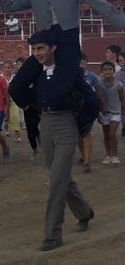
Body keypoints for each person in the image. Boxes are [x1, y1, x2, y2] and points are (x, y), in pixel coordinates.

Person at [0, 0, 125, 135]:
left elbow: (97, 3)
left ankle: (85, 117)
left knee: (65, 87)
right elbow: (8, 7)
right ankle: (46, 107)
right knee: (15, 87)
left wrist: (122, 22)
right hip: (45, 46)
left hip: (68, 45)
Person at [28, 30, 95, 251]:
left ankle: (53, 235)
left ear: (53, 48)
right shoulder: (36, 72)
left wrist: (82, 128)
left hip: (67, 124)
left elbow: (92, 102)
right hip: (45, 123)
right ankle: (84, 211)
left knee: (57, 180)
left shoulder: (69, 71)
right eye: (34, 49)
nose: (37, 53)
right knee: (59, 174)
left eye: (41, 48)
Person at [77, 53, 106, 172]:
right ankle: (83, 155)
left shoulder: (92, 76)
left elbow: (97, 93)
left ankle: (87, 161)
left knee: (86, 134)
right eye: (80, 61)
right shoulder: (71, 76)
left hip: (88, 109)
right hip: (76, 110)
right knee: (78, 135)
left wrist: (102, 105)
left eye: (84, 61)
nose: (82, 63)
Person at [99, 61, 125, 165]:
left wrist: (123, 114)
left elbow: (122, 99)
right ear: (102, 72)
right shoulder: (99, 85)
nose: (108, 71)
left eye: (110, 69)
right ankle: (108, 156)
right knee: (106, 135)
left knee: (112, 133)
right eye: (105, 69)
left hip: (116, 112)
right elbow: (97, 99)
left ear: (114, 71)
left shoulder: (118, 84)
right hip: (104, 113)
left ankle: (114, 156)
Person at [1, 59, 21, 143]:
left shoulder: (16, 77)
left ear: (12, 68)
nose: (7, 69)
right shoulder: (0, 77)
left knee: (14, 116)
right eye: (5, 67)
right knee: (5, 116)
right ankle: (6, 129)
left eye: (9, 67)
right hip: (2, 100)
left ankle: (17, 136)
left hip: (13, 100)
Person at [115, 51, 125, 138]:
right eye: (121, 60)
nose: (123, 62)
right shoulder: (117, 75)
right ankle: (124, 128)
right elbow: (120, 87)